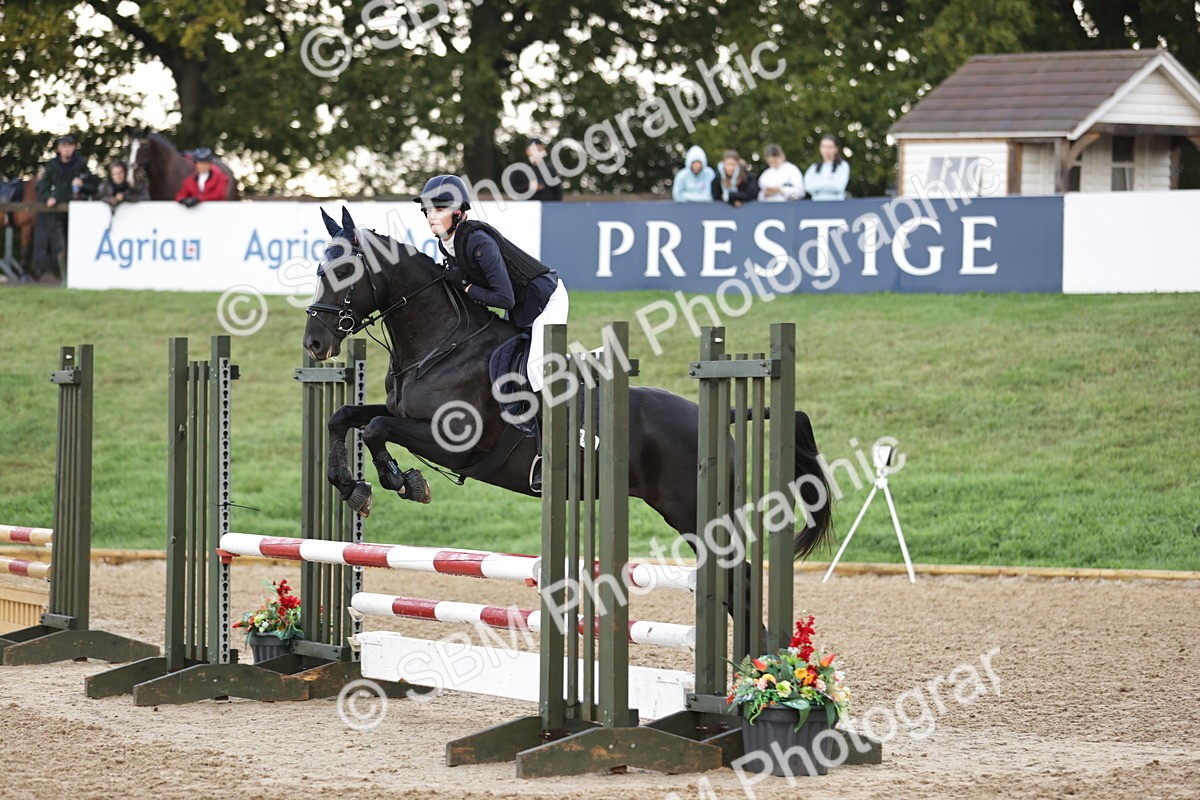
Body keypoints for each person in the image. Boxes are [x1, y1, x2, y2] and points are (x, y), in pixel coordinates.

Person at [415, 174, 568, 394]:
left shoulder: (479, 241)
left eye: (439, 210)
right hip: (522, 307)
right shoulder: (445, 244)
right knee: (506, 362)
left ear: (457, 212)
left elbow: (504, 299)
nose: (431, 216)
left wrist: (467, 287)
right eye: (428, 210)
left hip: (546, 300)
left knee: (536, 370)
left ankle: (567, 424)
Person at [33, 133, 97, 280]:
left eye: (69, 146)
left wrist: (83, 185)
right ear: (58, 149)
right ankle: (64, 277)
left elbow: (94, 185)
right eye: (63, 146)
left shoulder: (82, 165)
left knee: (78, 245)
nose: (67, 149)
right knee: (59, 246)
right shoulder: (51, 167)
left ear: (73, 147)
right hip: (57, 213)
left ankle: (79, 276)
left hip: (79, 213)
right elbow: (42, 187)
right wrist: (48, 197)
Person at [804, 135, 851, 201]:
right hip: (817, 205)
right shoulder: (813, 168)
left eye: (830, 147)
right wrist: (830, 183)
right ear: (820, 148)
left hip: (836, 205)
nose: (827, 150)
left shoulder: (843, 166)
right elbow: (808, 187)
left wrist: (817, 185)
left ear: (836, 149)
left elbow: (839, 186)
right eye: (824, 147)